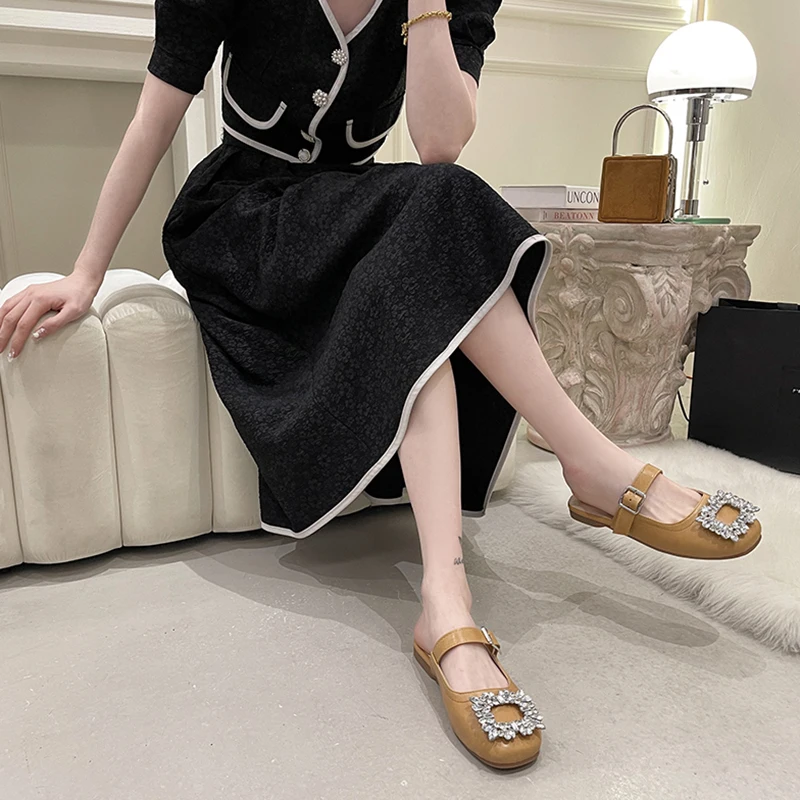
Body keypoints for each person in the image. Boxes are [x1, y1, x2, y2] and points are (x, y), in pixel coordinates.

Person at [0, 0, 762, 771]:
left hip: (353, 219)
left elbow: (439, 143)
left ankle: (446, 601)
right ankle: (591, 464)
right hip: (243, 225)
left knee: (424, 249)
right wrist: (87, 271)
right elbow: (152, 119)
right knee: (438, 216)